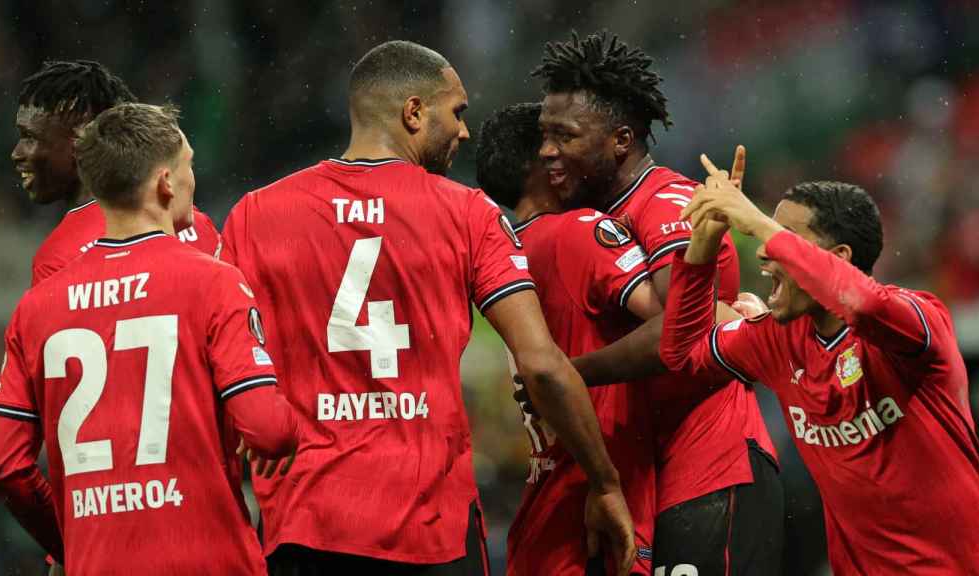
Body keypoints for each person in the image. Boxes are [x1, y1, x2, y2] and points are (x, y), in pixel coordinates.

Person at [221, 40, 636, 575]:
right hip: (431, 525)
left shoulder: (257, 214)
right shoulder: (467, 213)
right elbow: (540, 365)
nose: (465, 131)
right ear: (413, 112)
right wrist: (605, 483)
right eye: (456, 112)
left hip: (308, 523)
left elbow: (225, 371)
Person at [0, 103, 300, 575]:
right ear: (166, 183)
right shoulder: (214, 283)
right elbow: (268, 431)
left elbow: (5, 468)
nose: (193, 181)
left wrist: (69, 540)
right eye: (188, 165)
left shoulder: (37, 307)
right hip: (208, 558)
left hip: (98, 560)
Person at [661, 155, 979, 575]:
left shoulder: (917, 320)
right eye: (769, 235)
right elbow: (682, 353)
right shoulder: (776, 340)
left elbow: (865, 303)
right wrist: (702, 246)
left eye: (785, 237)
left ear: (839, 256)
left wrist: (757, 221)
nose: (765, 252)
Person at [532, 31, 783, 574]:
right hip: (656, 472)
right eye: (543, 134)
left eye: (566, 135)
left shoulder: (665, 201)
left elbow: (680, 332)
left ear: (620, 139)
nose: (548, 150)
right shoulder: (596, 217)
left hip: (712, 464)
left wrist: (562, 376)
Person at [477, 102, 658, 575]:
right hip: (599, 511)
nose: (567, 154)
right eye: (556, 143)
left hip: (544, 510)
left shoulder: (503, 255)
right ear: (544, 164)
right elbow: (678, 324)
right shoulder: (581, 233)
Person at [12, 60, 221, 285]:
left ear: (81, 136)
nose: (16, 153)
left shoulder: (58, 259)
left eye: (29, 137)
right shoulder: (195, 224)